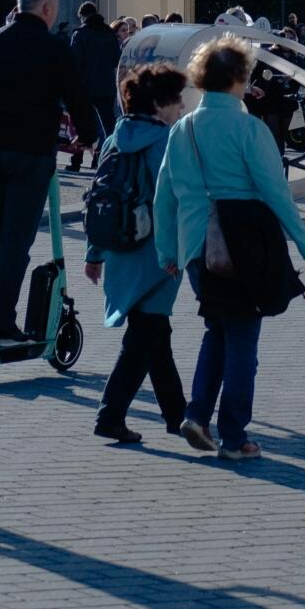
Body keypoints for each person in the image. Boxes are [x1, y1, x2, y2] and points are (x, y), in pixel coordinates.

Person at [153, 34, 305, 460]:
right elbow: (276, 191)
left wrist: (167, 251)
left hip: (196, 248)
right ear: (239, 79)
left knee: (218, 329)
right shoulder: (250, 129)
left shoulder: (183, 129)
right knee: (244, 339)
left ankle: (196, 414)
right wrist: (304, 242)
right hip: (243, 247)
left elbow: (164, 195)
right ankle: (234, 436)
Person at [0, 0, 99, 339]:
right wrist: (87, 137)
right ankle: (1, 321)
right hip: (29, 151)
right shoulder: (54, 49)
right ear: (46, 8)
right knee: (15, 239)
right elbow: (77, 98)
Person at [84, 61, 190, 445]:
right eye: (176, 100)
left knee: (154, 333)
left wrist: (94, 253)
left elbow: (101, 198)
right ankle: (110, 414)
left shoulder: (114, 139)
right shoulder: (166, 142)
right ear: (159, 104)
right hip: (157, 252)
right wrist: (183, 250)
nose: (181, 107)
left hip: (119, 250)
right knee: (147, 333)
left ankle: (179, 416)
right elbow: (176, 201)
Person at [69, 0, 122, 172]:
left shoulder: (80, 34)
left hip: (85, 87)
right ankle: (108, 159)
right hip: (106, 86)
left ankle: (76, 161)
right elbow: (117, 59)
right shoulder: (109, 33)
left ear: (82, 16)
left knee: (82, 124)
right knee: (109, 127)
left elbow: (74, 62)